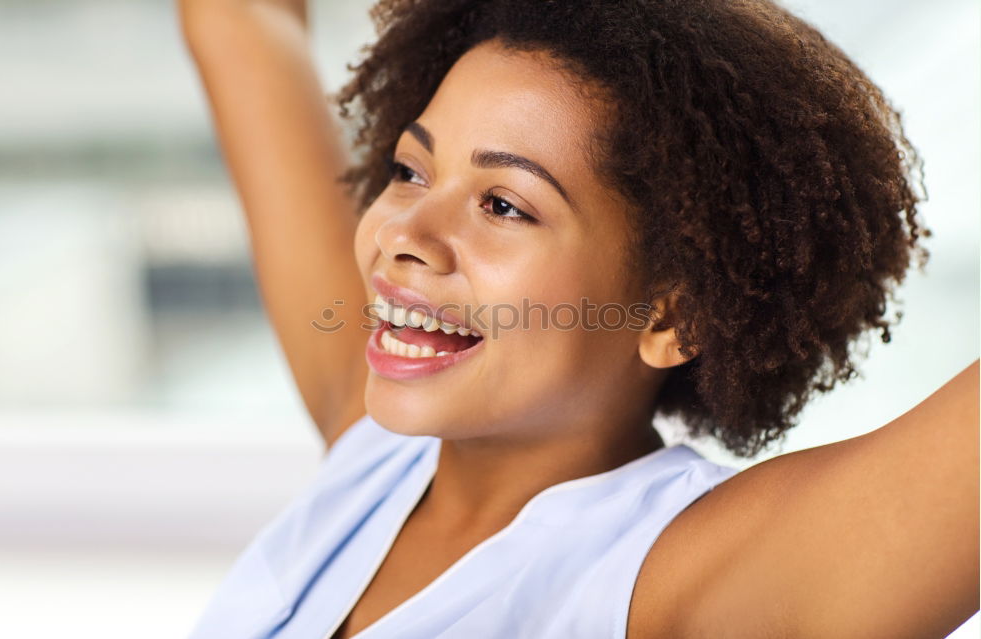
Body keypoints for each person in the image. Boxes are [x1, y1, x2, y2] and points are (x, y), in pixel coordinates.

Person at [177, 0, 979, 637]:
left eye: (503, 204)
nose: (402, 236)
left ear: (676, 313)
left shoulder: (682, 575)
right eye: (411, 170)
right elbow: (240, 20)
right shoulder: (374, 456)